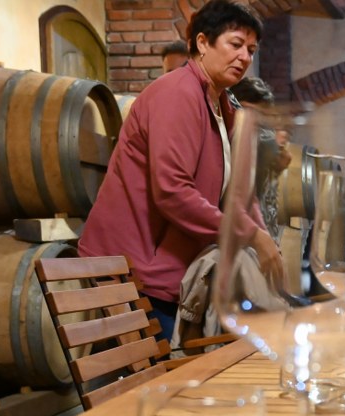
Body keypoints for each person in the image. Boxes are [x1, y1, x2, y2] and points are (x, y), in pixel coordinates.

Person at [78, 0, 280, 341]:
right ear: (202, 43)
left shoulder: (223, 106)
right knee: (158, 373)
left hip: (168, 273)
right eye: (235, 44)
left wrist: (264, 240)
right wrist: (252, 236)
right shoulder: (178, 93)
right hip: (134, 272)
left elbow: (239, 194)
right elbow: (173, 191)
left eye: (251, 50)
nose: (244, 57)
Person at [228, 76, 292, 244]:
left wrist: (276, 169)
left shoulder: (267, 143)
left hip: (261, 236)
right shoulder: (242, 137)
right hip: (244, 238)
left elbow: (262, 194)